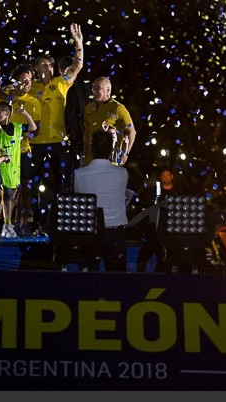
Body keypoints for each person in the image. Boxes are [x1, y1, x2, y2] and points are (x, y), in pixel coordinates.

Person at [28, 23, 84, 229]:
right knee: (34, 184)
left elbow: (78, 65)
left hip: (60, 143)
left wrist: (79, 43)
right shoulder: (29, 87)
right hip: (36, 143)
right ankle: (36, 221)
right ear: (35, 69)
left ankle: (62, 221)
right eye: (43, 65)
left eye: (50, 65)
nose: (48, 68)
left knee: (62, 184)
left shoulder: (61, 82)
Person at [73, 129, 130, 272]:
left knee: (89, 283)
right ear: (111, 149)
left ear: (92, 149)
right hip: (115, 234)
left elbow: (79, 198)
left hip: (91, 233)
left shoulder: (79, 174)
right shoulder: (122, 173)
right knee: (117, 282)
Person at [0, 102, 36, 239]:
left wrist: (24, 113)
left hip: (13, 167)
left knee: (11, 196)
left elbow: (33, 127)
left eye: (0, 111)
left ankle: (9, 224)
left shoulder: (18, 127)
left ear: (7, 113)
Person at [81, 76, 136, 167]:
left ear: (108, 90)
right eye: (93, 88)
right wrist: (84, 153)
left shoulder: (118, 108)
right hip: (90, 160)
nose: (94, 91)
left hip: (110, 160)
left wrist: (125, 154)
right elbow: (87, 130)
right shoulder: (89, 108)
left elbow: (131, 131)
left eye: (98, 88)